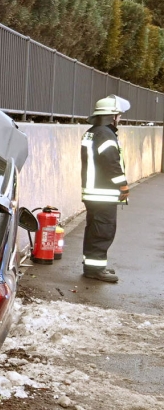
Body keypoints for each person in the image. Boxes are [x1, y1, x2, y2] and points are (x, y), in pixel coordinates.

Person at [79, 94, 131, 283]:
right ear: (112, 116)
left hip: (94, 192)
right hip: (103, 193)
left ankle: (94, 266)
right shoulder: (105, 135)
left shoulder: (93, 132)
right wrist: (123, 185)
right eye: (119, 115)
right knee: (103, 230)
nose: (120, 119)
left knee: (95, 229)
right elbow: (111, 163)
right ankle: (94, 270)